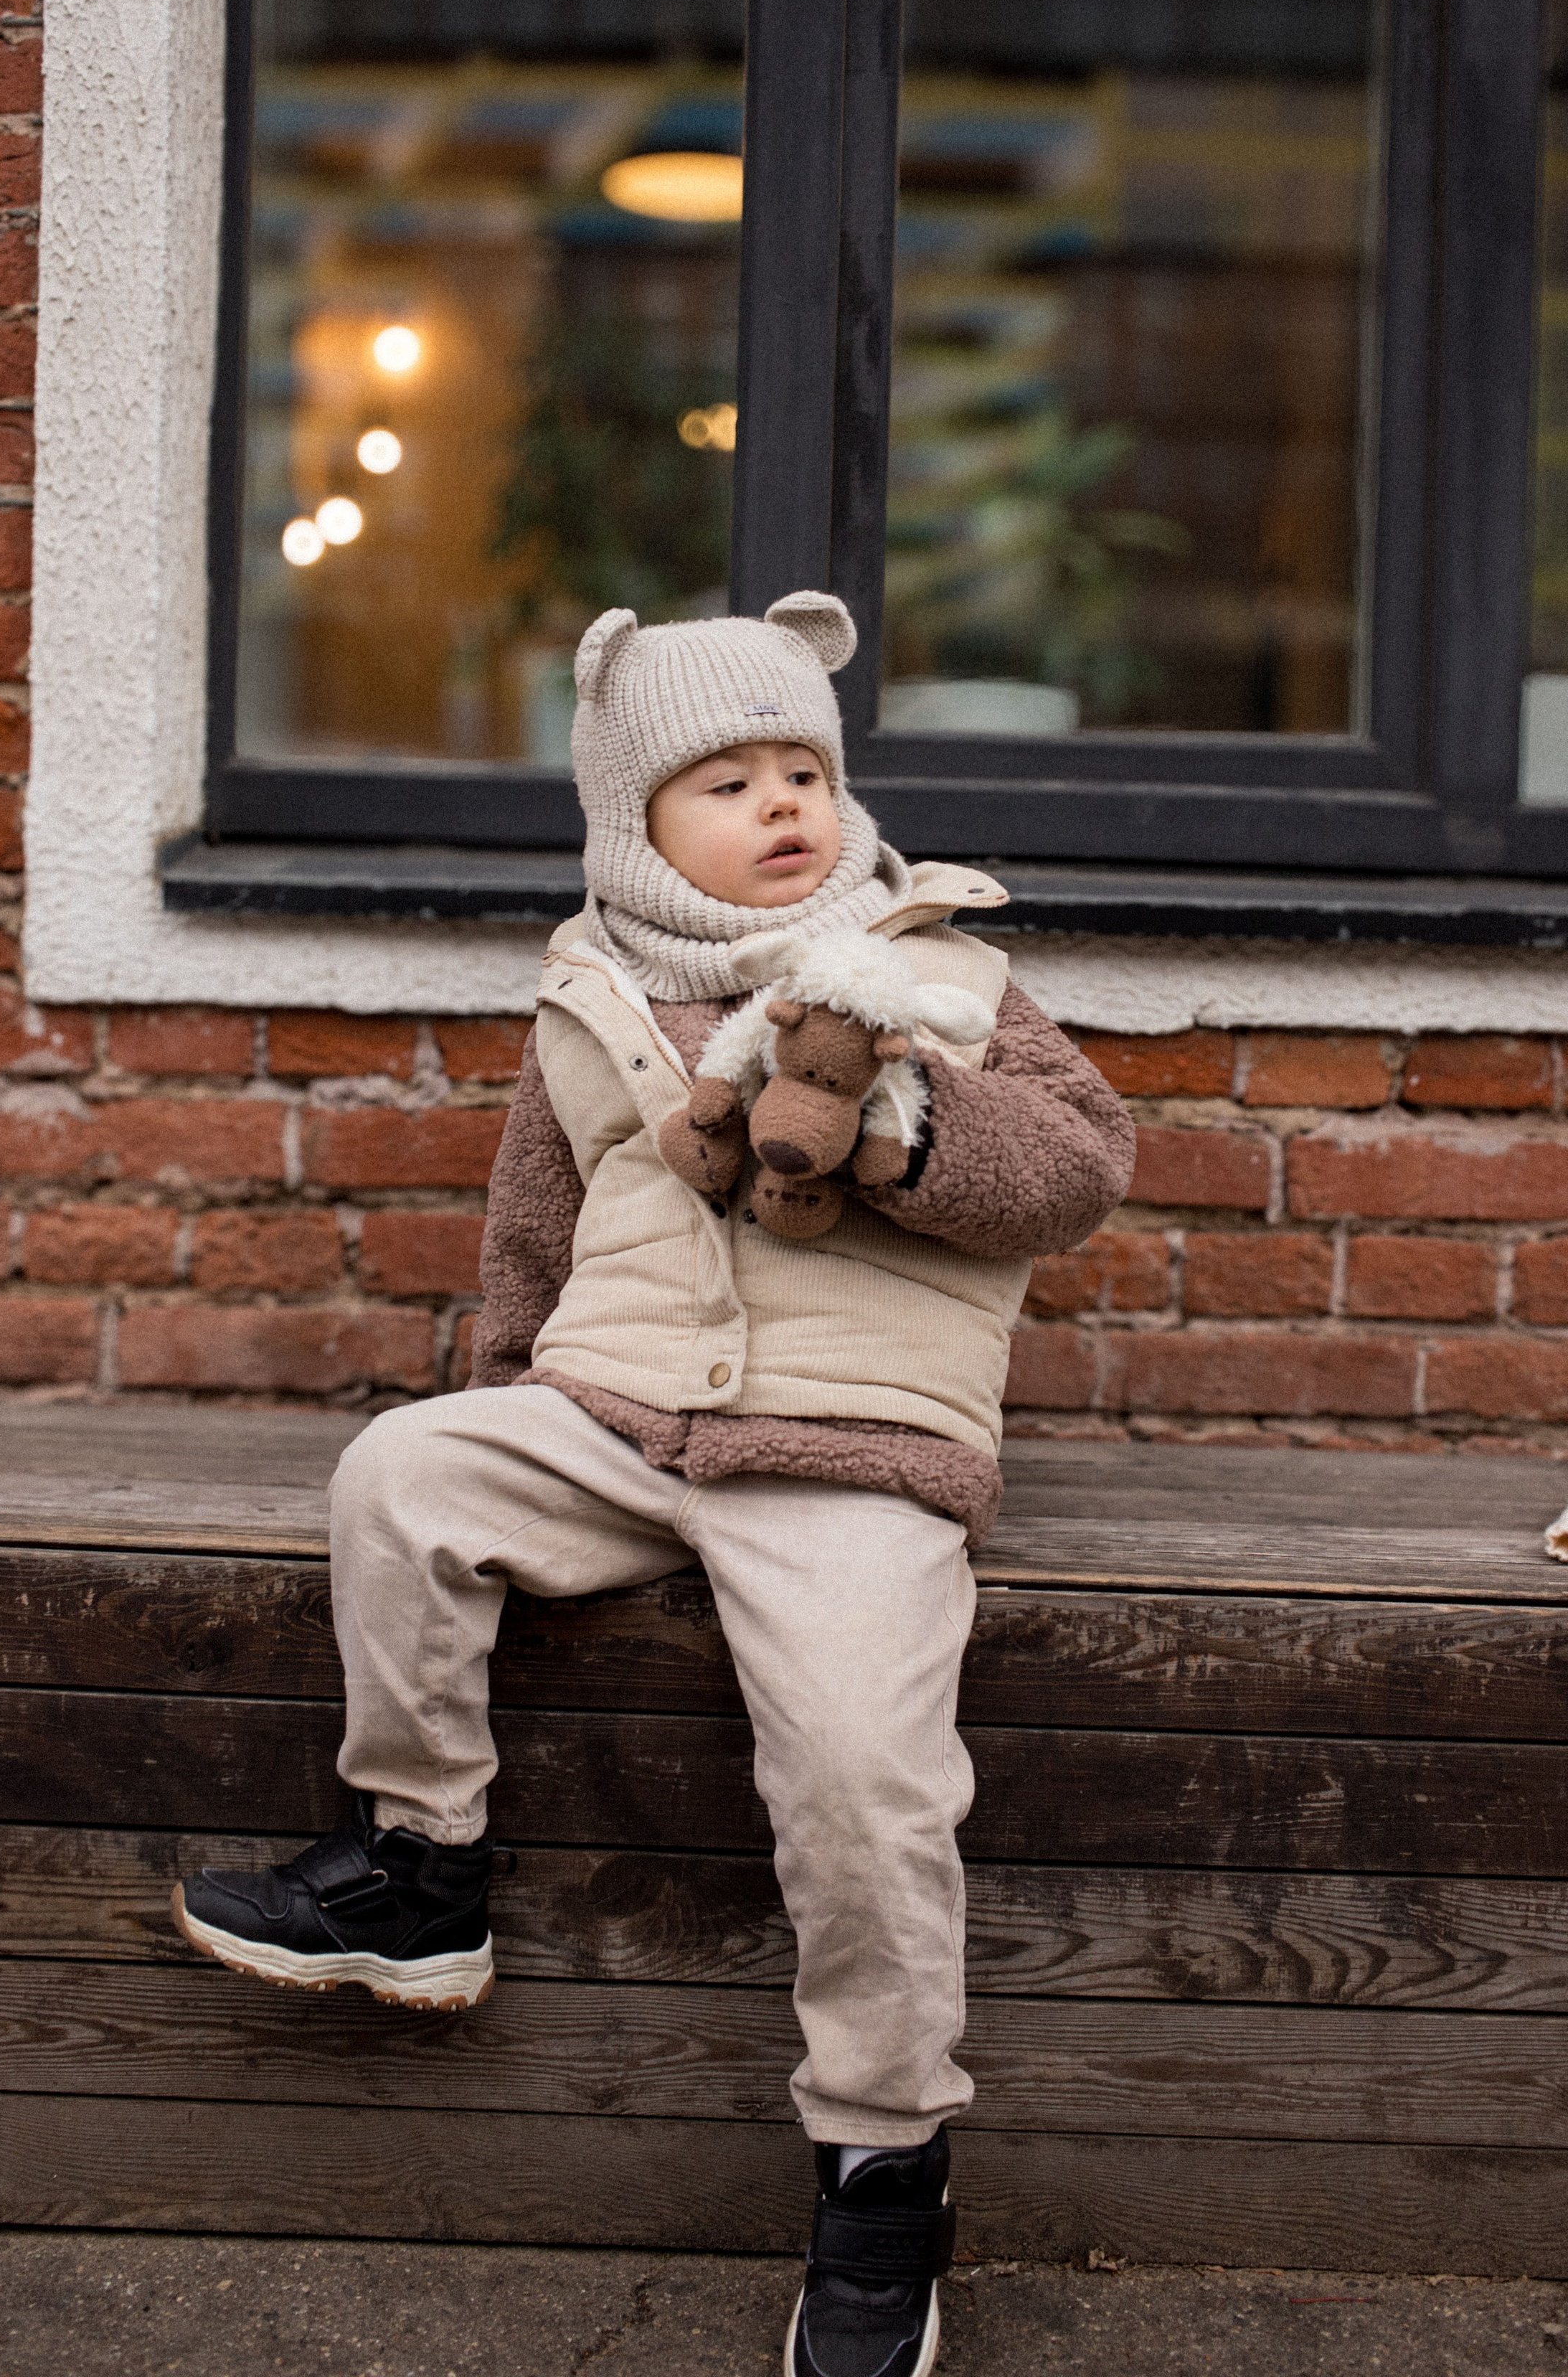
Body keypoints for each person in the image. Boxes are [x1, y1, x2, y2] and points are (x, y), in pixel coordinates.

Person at [174, 592, 1134, 2377]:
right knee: (402, 1475)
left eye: (803, 772)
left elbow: (1078, 1168)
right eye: (726, 781)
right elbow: (530, 1228)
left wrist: (909, 1132)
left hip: (849, 1457)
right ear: (632, 824)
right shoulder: (588, 996)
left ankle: (880, 2164)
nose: (783, 806)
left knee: (860, 1771)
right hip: (611, 1418)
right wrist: (511, 1380)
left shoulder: (948, 979)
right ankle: (420, 1868)